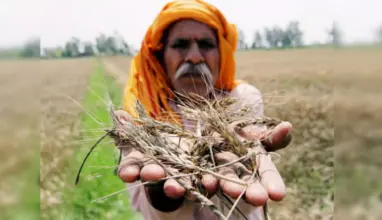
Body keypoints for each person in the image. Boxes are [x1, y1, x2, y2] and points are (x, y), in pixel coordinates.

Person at [114, 0, 293, 219]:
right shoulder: (144, 108)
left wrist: (234, 153)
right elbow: (146, 206)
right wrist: (162, 195)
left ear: (222, 54)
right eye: (180, 44)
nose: (194, 57)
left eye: (206, 45)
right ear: (161, 57)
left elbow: (244, 193)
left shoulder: (242, 98)